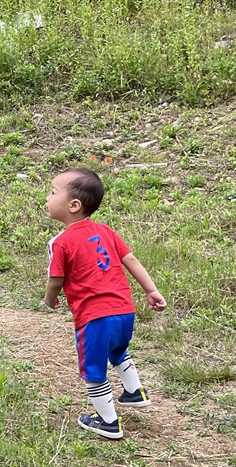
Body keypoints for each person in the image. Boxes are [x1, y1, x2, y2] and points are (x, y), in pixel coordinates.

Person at [44, 167, 167, 440]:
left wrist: (49, 299)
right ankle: (134, 392)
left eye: (53, 193)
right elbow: (131, 260)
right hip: (125, 311)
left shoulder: (61, 242)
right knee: (118, 350)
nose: (47, 198)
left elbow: (56, 278)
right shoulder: (106, 231)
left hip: (94, 317)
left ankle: (108, 422)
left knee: (94, 371)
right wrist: (151, 290)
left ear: (74, 206)